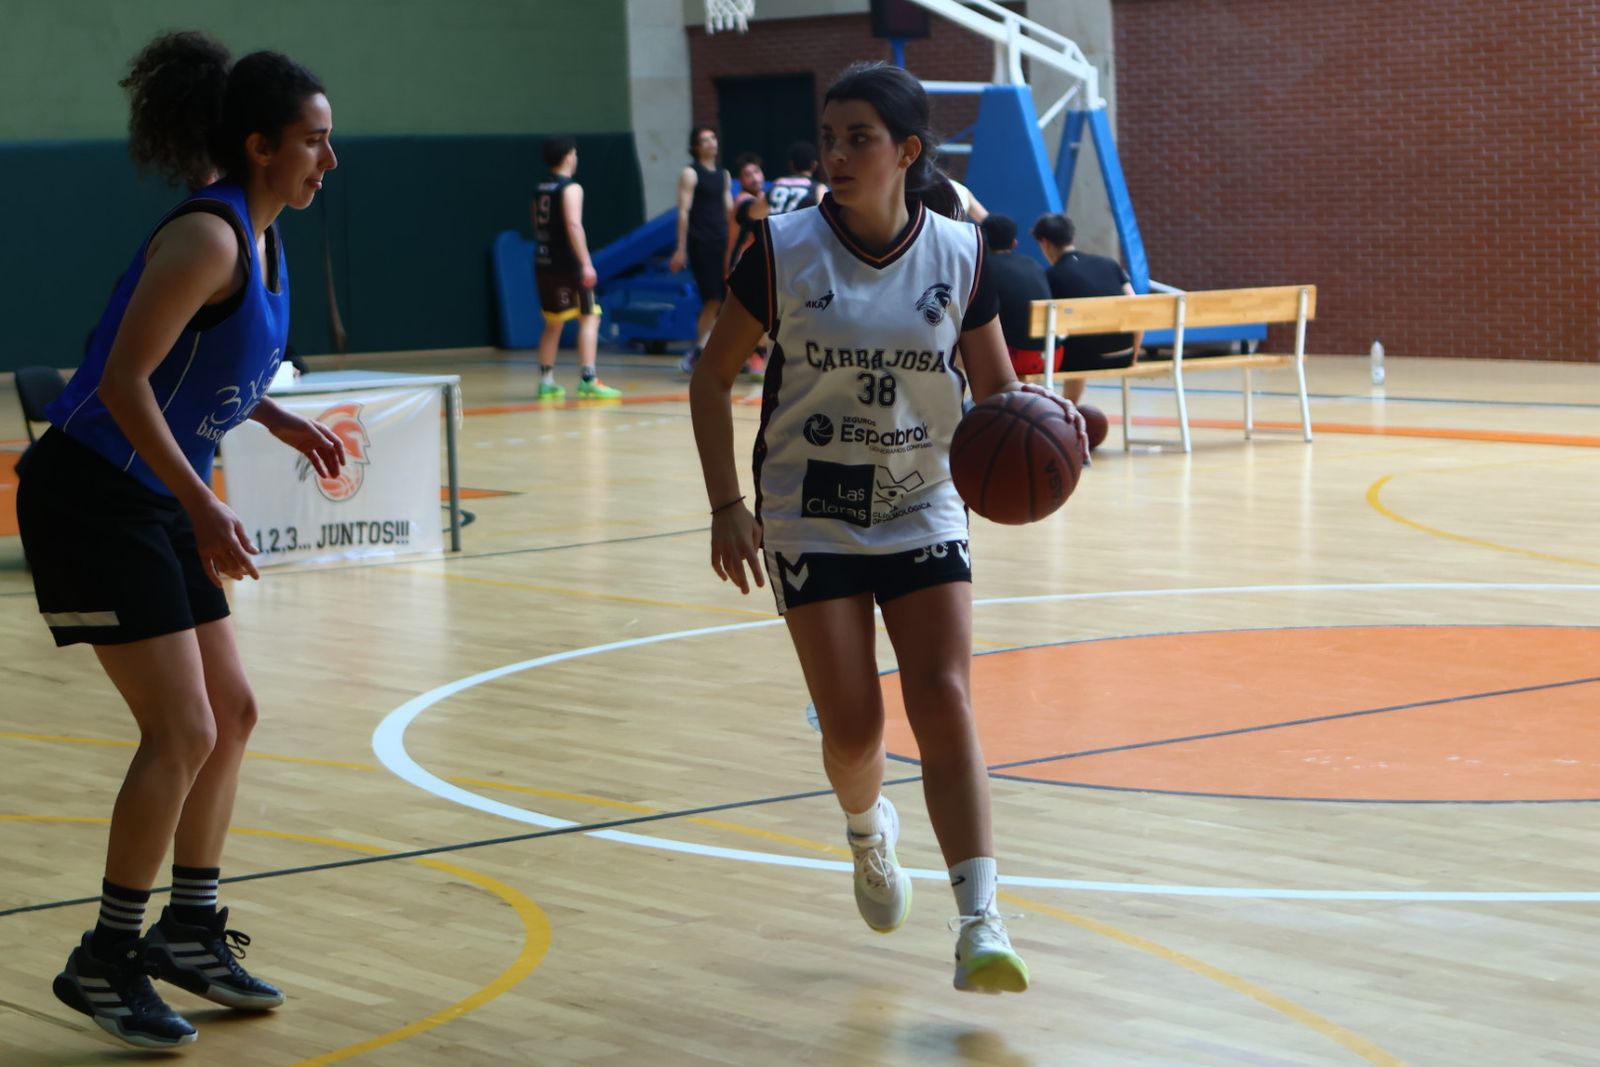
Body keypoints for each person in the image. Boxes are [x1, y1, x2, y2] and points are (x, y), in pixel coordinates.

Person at [689, 61, 1086, 995]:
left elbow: (997, 396)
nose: (835, 153)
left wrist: (1050, 439)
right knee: (856, 726)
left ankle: (981, 919)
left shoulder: (960, 251)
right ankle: (869, 834)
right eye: (829, 137)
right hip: (809, 506)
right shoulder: (781, 250)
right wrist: (724, 506)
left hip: (921, 494)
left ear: (908, 150)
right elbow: (711, 381)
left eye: (857, 137)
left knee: (944, 699)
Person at [16, 31, 345, 1049]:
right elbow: (120, 381)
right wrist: (203, 504)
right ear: (258, 144)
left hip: (145, 495)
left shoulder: (267, 232)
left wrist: (275, 417)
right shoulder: (208, 237)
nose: (326, 160)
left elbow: (196, 374)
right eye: (312, 141)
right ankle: (106, 955)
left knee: (232, 712)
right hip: (89, 495)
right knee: (184, 730)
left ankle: (190, 928)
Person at [532, 136, 621, 400]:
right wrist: (585, 263)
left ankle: (546, 381)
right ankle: (588, 379)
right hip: (567, 262)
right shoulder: (571, 188)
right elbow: (573, 224)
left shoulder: (539, 188)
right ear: (570, 156)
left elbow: (536, 225)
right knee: (590, 316)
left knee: (553, 321)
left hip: (543, 260)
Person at [1031, 212, 1138, 403]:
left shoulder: (1051, 276)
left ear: (1044, 243)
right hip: (1124, 355)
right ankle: (1070, 405)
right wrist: (1133, 356)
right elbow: (1135, 305)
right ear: (1071, 237)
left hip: (1082, 360)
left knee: (1070, 344)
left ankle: (1054, 411)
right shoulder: (1110, 264)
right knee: (1080, 341)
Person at [671, 124, 733, 373]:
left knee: (727, 299)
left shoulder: (724, 174)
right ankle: (698, 352)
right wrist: (680, 248)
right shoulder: (690, 173)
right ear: (696, 147)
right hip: (701, 243)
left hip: (722, 242)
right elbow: (683, 212)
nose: (711, 142)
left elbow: (729, 211)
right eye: (705, 139)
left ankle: (712, 350)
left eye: (713, 137)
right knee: (712, 299)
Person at [979, 214, 1056, 377]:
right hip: (1053, 356)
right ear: (1014, 244)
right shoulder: (1033, 264)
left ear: (980, 240)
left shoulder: (982, 268)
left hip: (1015, 358)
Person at [726, 153, 771, 379]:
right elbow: (758, 210)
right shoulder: (744, 200)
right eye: (747, 175)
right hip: (741, 266)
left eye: (756, 172)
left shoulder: (761, 198)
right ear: (740, 181)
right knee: (758, 318)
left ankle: (750, 358)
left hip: (754, 266)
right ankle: (756, 357)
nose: (754, 177)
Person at [765, 140, 829, 216]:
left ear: (791, 164)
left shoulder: (777, 183)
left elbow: (754, 214)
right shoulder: (818, 188)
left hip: (774, 227)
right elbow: (826, 216)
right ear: (814, 165)